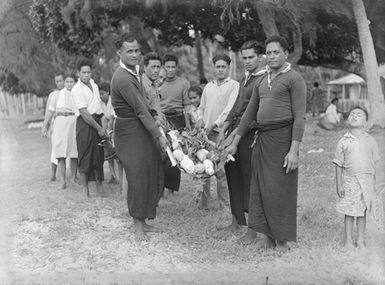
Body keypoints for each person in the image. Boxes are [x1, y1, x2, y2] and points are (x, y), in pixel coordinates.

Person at [226, 36, 306, 250]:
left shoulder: (294, 79)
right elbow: (248, 115)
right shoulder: (261, 80)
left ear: (285, 53)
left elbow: (300, 117)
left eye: (275, 52)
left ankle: (282, 241)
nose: (271, 56)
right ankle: (267, 239)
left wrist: (294, 151)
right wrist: (234, 142)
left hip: (283, 140)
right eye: (268, 53)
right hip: (262, 141)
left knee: (279, 190)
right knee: (260, 188)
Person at [110, 33, 168, 242]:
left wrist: (154, 117)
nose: (135, 55)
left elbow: (144, 104)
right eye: (129, 51)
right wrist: (158, 135)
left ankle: (143, 220)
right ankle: (137, 227)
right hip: (130, 131)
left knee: (148, 172)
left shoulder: (134, 71)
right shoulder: (123, 78)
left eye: (136, 50)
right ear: (119, 52)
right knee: (137, 177)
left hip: (139, 128)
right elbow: (140, 110)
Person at [217, 40, 267, 231]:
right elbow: (235, 108)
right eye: (244, 58)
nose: (247, 61)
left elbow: (252, 114)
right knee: (232, 176)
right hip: (233, 132)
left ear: (260, 57)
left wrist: (235, 134)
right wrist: (224, 129)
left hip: (249, 135)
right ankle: (235, 221)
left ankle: (250, 226)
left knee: (247, 179)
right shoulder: (244, 79)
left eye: (251, 57)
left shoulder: (263, 80)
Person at [333, 106, 384, 248]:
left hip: (367, 181)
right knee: (349, 212)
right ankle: (348, 240)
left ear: (366, 123)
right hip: (350, 181)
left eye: (359, 115)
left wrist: (376, 183)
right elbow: (338, 164)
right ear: (347, 119)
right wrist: (339, 184)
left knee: (362, 212)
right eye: (352, 114)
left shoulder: (371, 141)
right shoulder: (343, 141)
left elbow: (375, 163)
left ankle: (360, 239)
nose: (354, 115)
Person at [196, 54, 240, 209]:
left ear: (228, 67)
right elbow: (201, 107)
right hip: (205, 135)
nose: (220, 69)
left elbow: (229, 110)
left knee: (221, 171)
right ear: (213, 68)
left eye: (223, 67)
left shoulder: (234, 85)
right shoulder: (208, 86)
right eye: (218, 67)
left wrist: (214, 124)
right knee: (204, 169)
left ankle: (225, 205)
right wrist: (200, 119)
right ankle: (203, 205)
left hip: (222, 134)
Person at [72, 58, 107, 197]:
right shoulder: (76, 89)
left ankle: (99, 185)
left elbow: (99, 108)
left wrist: (103, 126)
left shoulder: (95, 85)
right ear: (78, 74)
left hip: (97, 119)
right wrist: (99, 128)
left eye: (88, 72)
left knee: (99, 154)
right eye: (83, 72)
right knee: (85, 154)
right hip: (84, 122)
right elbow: (84, 112)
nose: (86, 75)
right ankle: (85, 189)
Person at [42, 74, 78, 189]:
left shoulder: (77, 93)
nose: (68, 84)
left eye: (71, 81)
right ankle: (63, 181)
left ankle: (73, 178)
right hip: (60, 121)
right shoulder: (56, 95)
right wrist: (45, 125)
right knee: (60, 151)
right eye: (66, 82)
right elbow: (50, 111)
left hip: (73, 121)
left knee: (74, 151)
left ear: (75, 82)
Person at [159, 53, 191, 130]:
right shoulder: (157, 84)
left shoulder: (184, 83)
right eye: (168, 67)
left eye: (173, 67)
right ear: (163, 67)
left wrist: (188, 123)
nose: (170, 70)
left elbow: (187, 105)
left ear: (176, 67)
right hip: (162, 119)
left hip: (179, 119)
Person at [43, 74, 65, 181]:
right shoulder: (53, 95)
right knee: (55, 149)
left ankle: (68, 175)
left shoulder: (70, 92)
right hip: (56, 125)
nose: (60, 83)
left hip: (68, 124)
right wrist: (45, 126)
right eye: (57, 81)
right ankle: (53, 174)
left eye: (61, 80)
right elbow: (49, 111)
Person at [99, 82, 120, 185]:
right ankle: (113, 175)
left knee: (115, 152)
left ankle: (119, 177)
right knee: (108, 154)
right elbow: (103, 117)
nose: (101, 96)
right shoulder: (101, 103)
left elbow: (111, 119)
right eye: (100, 94)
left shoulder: (112, 101)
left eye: (103, 94)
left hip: (115, 126)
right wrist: (104, 132)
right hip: (106, 126)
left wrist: (110, 133)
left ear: (108, 92)